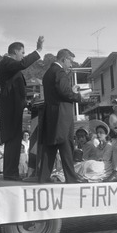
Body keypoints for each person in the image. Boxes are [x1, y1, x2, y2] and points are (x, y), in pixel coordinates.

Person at [0, 36, 44, 181]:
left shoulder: (9, 66)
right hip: (10, 108)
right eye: (22, 52)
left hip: (13, 106)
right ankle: (10, 173)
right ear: (15, 52)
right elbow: (23, 64)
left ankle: (11, 172)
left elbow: (15, 92)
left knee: (15, 139)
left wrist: (28, 103)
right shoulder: (7, 63)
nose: (23, 55)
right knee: (13, 139)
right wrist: (39, 50)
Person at [38, 48, 88, 184]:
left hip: (51, 114)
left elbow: (58, 92)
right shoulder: (60, 72)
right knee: (66, 147)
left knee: (50, 148)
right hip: (62, 116)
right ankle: (71, 179)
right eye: (70, 61)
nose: (71, 65)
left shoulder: (48, 73)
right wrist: (79, 96)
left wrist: (69, 91)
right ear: (64, 59)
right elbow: (64, 92)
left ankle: (43, 178)